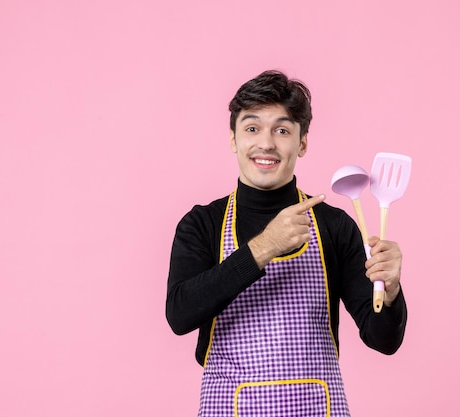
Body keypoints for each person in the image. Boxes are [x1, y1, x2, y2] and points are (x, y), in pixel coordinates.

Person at [166, 70, 407, 417]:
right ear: (233, 139)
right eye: (252, 128)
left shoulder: (334, 225)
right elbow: (179, 314)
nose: (266, 143)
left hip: (318, 407)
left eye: (282, 130)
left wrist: (392, 289)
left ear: (302, 142)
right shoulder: (202, 224)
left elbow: (383, 340)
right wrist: (263, 247)